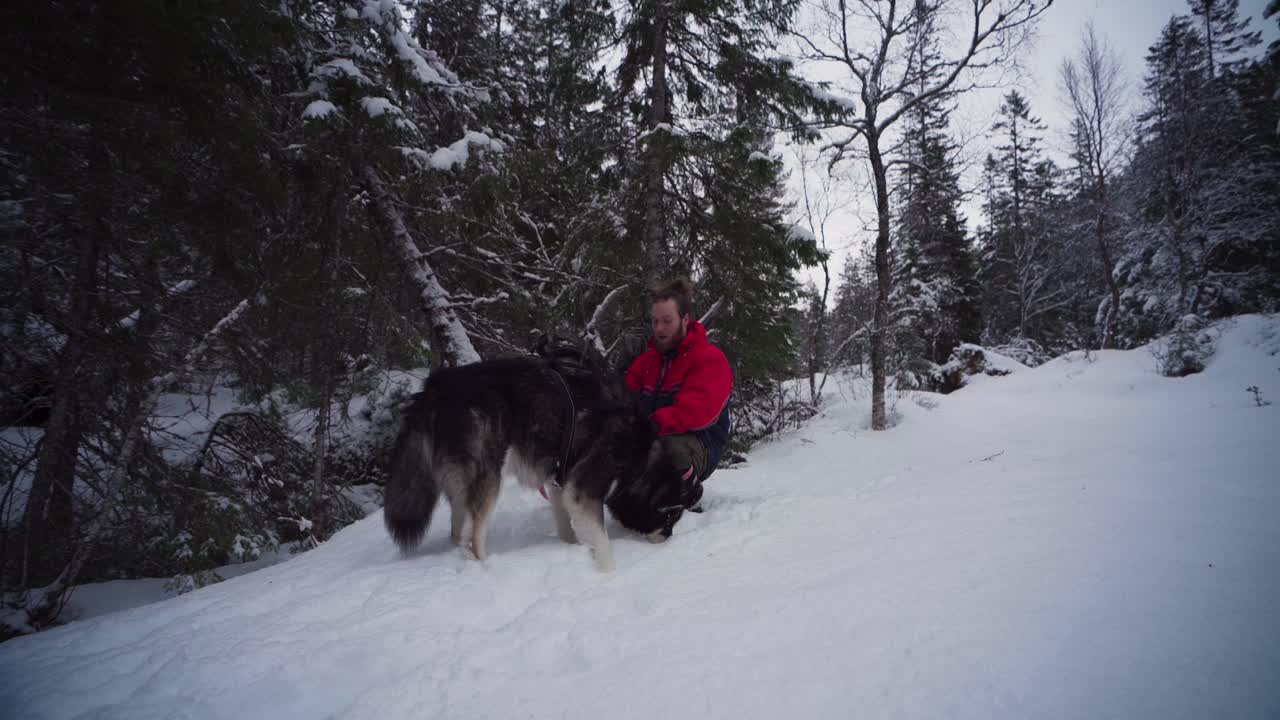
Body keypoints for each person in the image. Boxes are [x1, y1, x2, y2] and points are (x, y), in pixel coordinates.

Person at [624, 277, 732, 509]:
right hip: (652, 434)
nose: (659, 328)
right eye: (655, 321)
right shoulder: (645, 362)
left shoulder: (709, 358)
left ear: (685, 320)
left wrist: (647, 427)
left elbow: (695, 411)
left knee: (666, 451)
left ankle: (687, 493)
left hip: (699, 442)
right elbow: (621, 399)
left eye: (667, 321)